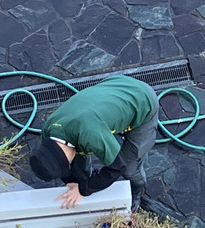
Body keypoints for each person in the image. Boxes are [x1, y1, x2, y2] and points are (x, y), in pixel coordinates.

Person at [28, 75, 159, 212]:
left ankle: (137, 191)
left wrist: (84, 189)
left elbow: (117, 167)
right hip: (111, 88)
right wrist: (74, 184)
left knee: (130, 167)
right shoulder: (49, 131)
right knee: (79, 162)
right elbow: (73, 164)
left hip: (143, 100)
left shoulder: (90, 134)